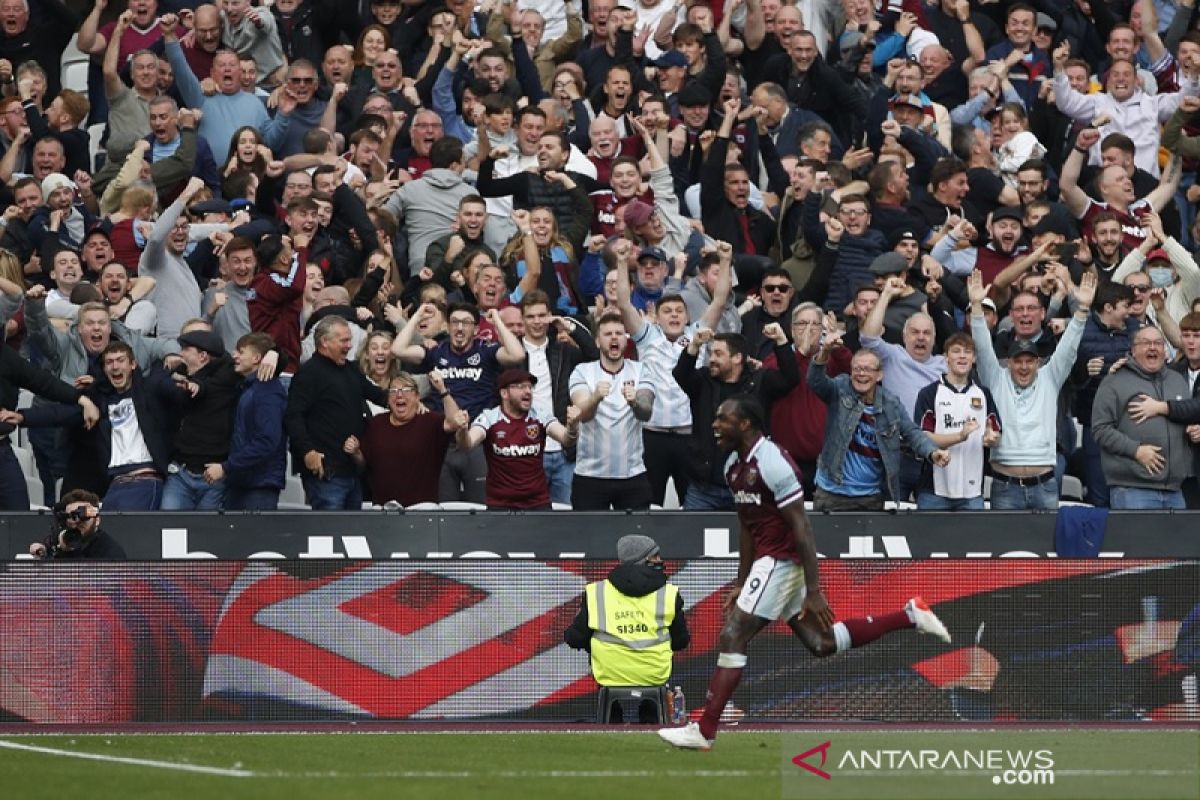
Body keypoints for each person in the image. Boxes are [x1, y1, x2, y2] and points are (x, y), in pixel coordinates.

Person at [657, 397, 951, 750]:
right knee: (820, 643)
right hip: (770, 560)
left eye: (724, 419)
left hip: (783, 560)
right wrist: (740, 581)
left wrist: (815, 589)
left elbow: (803, 528)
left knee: (733, 634)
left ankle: (704, 730)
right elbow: (747, 527)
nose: (715, 425)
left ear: (747, 423)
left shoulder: (775, 463)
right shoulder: (734, 466)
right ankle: (910, 615)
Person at [968, 269, 1096, 510]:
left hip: (1045, 485)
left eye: (1030, 361)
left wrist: (1082, 311)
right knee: (1004, 548)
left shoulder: (1050, 377)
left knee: (1048, 548)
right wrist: (976, 307)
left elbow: (1068, 349)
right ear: (1008, 362)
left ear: (1039, 362)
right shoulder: (996, 378)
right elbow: (983, 347)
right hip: (1004, 486)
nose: (1024, 366)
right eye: (1018, 360)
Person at [807, 333, 950, 510]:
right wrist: (825, 352)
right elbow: (815, 382)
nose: (861, 374)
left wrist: (932, 452)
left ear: (880, 375)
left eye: (867, 369)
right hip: (831, 493)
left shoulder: (891, 403)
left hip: (871, 497)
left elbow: (912, 433)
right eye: (857, 369)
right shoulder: (840, 388)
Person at [564, 533, 691, 723]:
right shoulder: (669, 593)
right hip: (654, 673)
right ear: (644, 559)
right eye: (655, 556)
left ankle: (611, 720)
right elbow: (681, 641)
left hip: (609, 674)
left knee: (596, 648)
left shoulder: (596, 592)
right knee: (654, 688)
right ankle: (652, 719)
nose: (660, 560)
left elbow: (574, 639)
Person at [285, 315, 388, 510]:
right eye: (344, 340)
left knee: (353, 532)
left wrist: (406, 398)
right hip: (326, 473)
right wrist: (307, 451)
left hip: (352, 470)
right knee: (329, 531)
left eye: (350, 340)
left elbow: (379, 396)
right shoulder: (308, 374)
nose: (349, 346)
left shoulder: (351, 370)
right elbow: (293, 416)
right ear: (325, 341)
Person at [1091, 326, 1193, 510]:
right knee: (1136, 540)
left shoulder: (1178, 380)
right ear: (1133, 350)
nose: (1152, 348)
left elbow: (1186, 415)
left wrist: (1192, 429)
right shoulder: (1114, 381)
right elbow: (1100, 429)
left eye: (1158, 343)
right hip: (1132, 490)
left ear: (1165, 350)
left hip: (1175, 490)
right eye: (1146, 343)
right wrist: (1135, 450)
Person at [458, 368, 580, 510]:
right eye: (521, 387)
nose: (528, 391)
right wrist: (462, 430)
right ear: (504, 393)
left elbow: (566, 439)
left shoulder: (540, 415)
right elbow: (467, 443)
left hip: (538, 502)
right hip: (500, 504)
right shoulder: (489, 418)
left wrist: (572, 426)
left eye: (529, 387)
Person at [568, 313, 656, 510]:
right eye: (608, 334)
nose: (614, 337)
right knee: (589, 538)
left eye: (619, 333)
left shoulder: (641, 370)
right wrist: (595, 397)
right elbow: (583, 414)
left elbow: (646, 412)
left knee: (636, 538)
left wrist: (634, 402)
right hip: (590, 476)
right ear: (598, 342)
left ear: (626, 340)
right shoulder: (582, 371)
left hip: (632, 476)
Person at [347, 370, 467, 507]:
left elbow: (454, 422)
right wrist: (355, 452)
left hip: (422, 510)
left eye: (406, 390)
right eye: (393, 391)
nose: (399, 395)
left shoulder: (429, 421)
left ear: (417, 396)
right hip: (383, 510)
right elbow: (363, 463)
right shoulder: (376, 423)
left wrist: (442, 390)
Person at [913, 333, 1001, 510]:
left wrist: (992, 438)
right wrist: (960, 436)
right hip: (934, 491)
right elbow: (924, 437)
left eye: (967, 352)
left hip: (973, 492)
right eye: (956, 351)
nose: (962, 356)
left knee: (972, 539)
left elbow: (995, 432)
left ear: (974, 358)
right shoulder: (929, 394)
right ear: (946, 358)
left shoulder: (983, 394)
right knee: (927, 538)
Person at [213, 332, 288, 511]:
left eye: (241, 351)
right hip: (243, 481)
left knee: (256, 538)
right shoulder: (249, 387)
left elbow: (267, 441)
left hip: (258, 485)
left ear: (256, 358)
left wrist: (226, 466)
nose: (235, 355)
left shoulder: (267, 391)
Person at [28, 490, 126, 560]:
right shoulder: (60, 539)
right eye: (71, 516)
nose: (77, 522)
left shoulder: (110, 551)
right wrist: (45, 552)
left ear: (97, 520)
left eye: (83, 516)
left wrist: (70, 552)